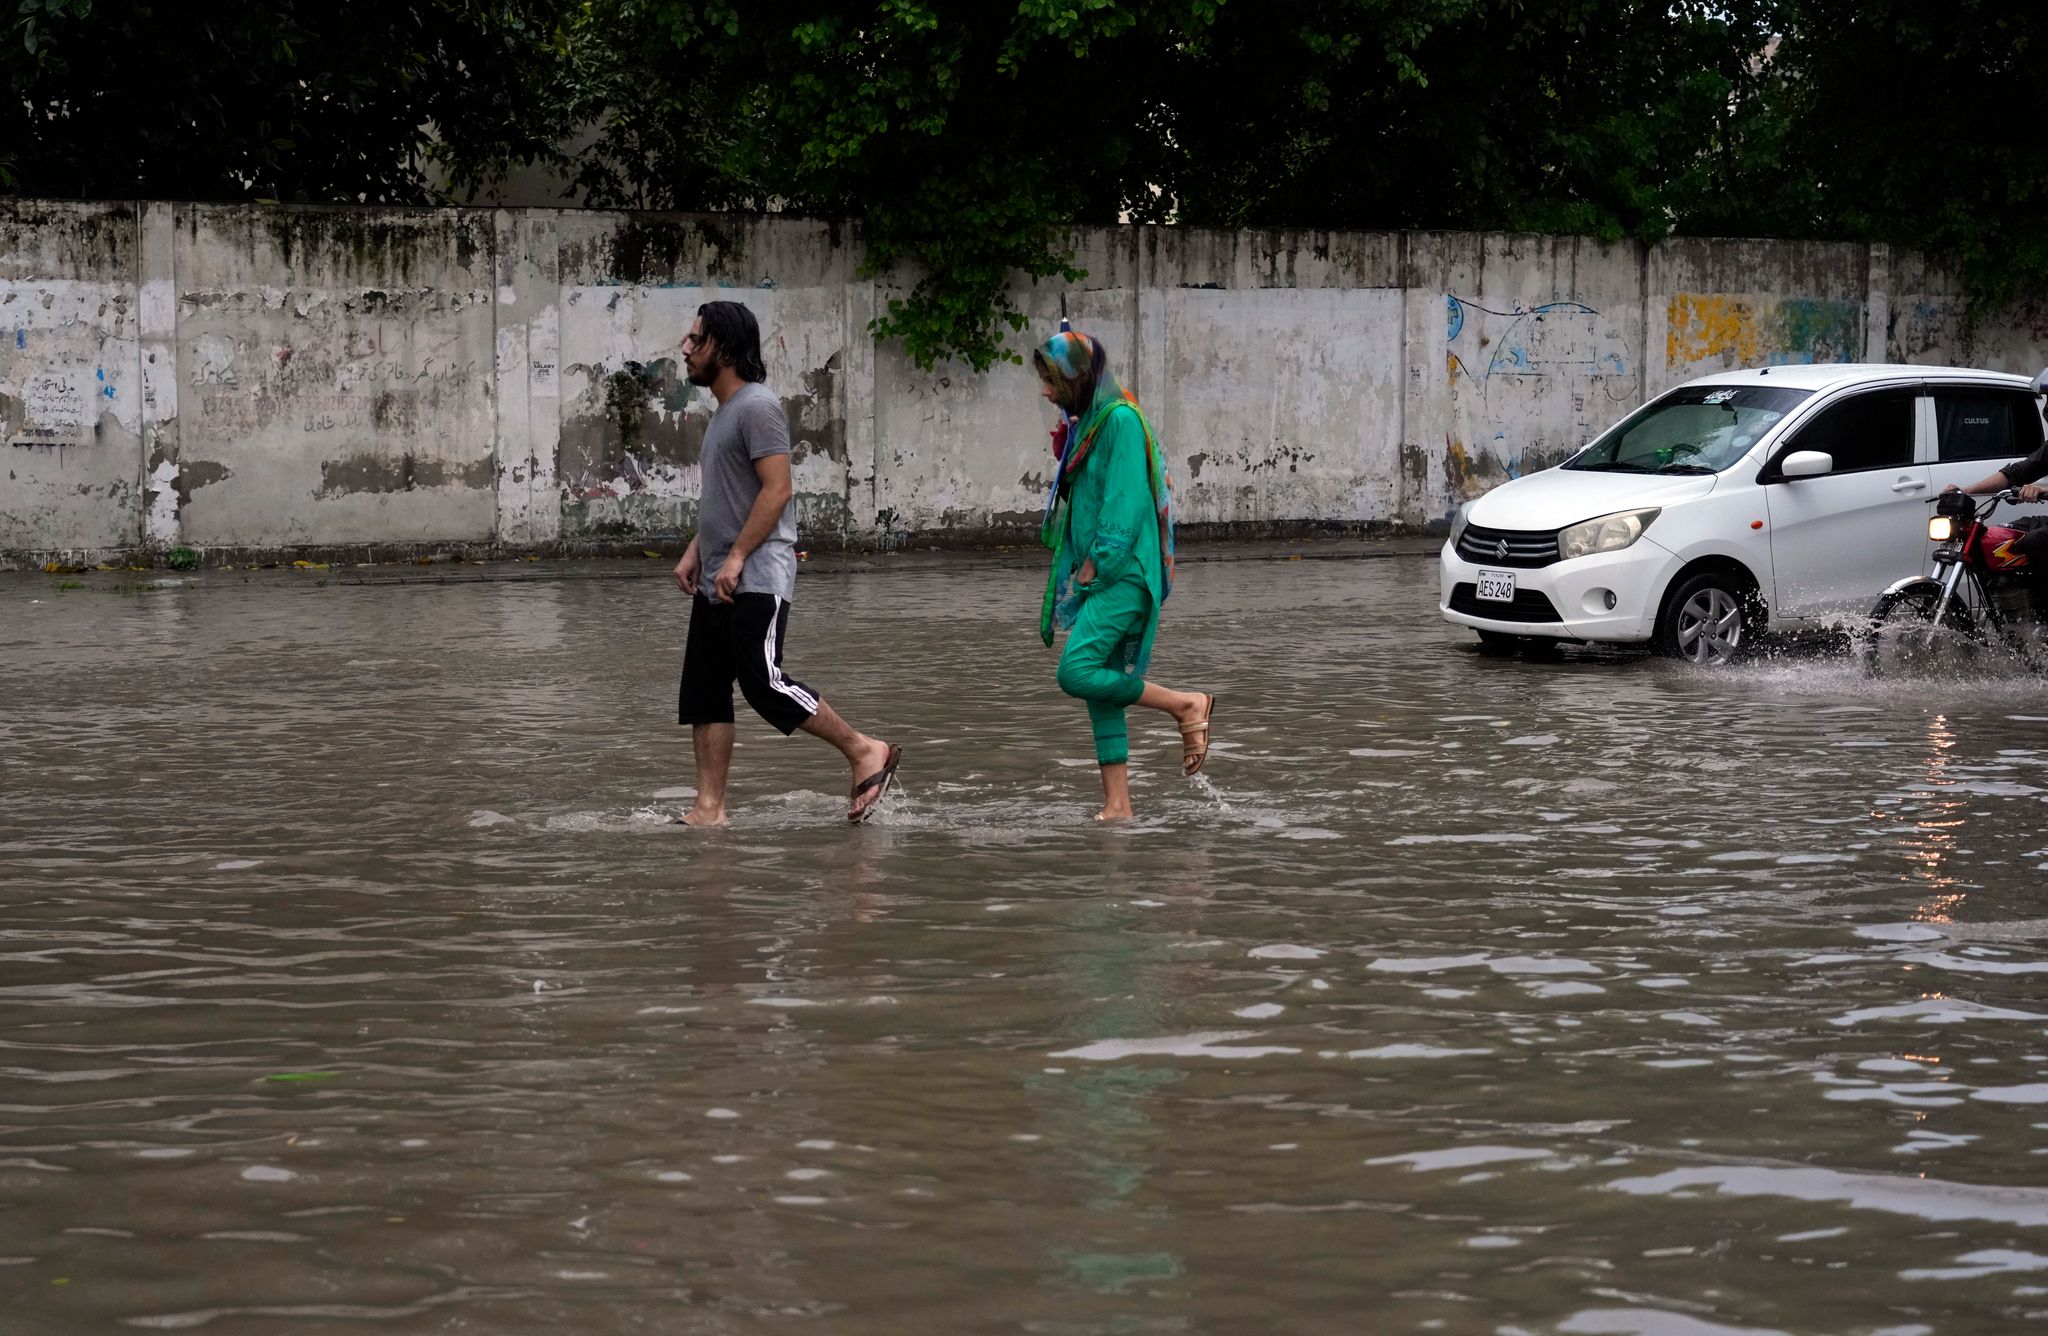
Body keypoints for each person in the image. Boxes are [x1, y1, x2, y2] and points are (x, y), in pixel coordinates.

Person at [671, 300, 901, 826]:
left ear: (724, 349)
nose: (685, 349)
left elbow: (776, 492)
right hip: (718, 577)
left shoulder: (758, 407)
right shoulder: (723, 415)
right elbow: (726, 499)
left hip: (756, 574)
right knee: (705, 694)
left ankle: (866, 750)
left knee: (763, 682)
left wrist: (734, 558)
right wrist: (695, 553)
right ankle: (710, 808)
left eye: (696, 339)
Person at [1035, 331, 1215, 821]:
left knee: (1076, 673)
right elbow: (1085, 482)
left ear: (1078, 376)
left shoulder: (1120, 421)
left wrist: (1102, 558)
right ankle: (1118, 805)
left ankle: (1185, 705)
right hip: (1110, 569)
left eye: (1052, 381)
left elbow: (1127, 497)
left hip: (1125, 570)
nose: (1046, 393)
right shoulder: (1093, 421)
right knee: (1101, 684)